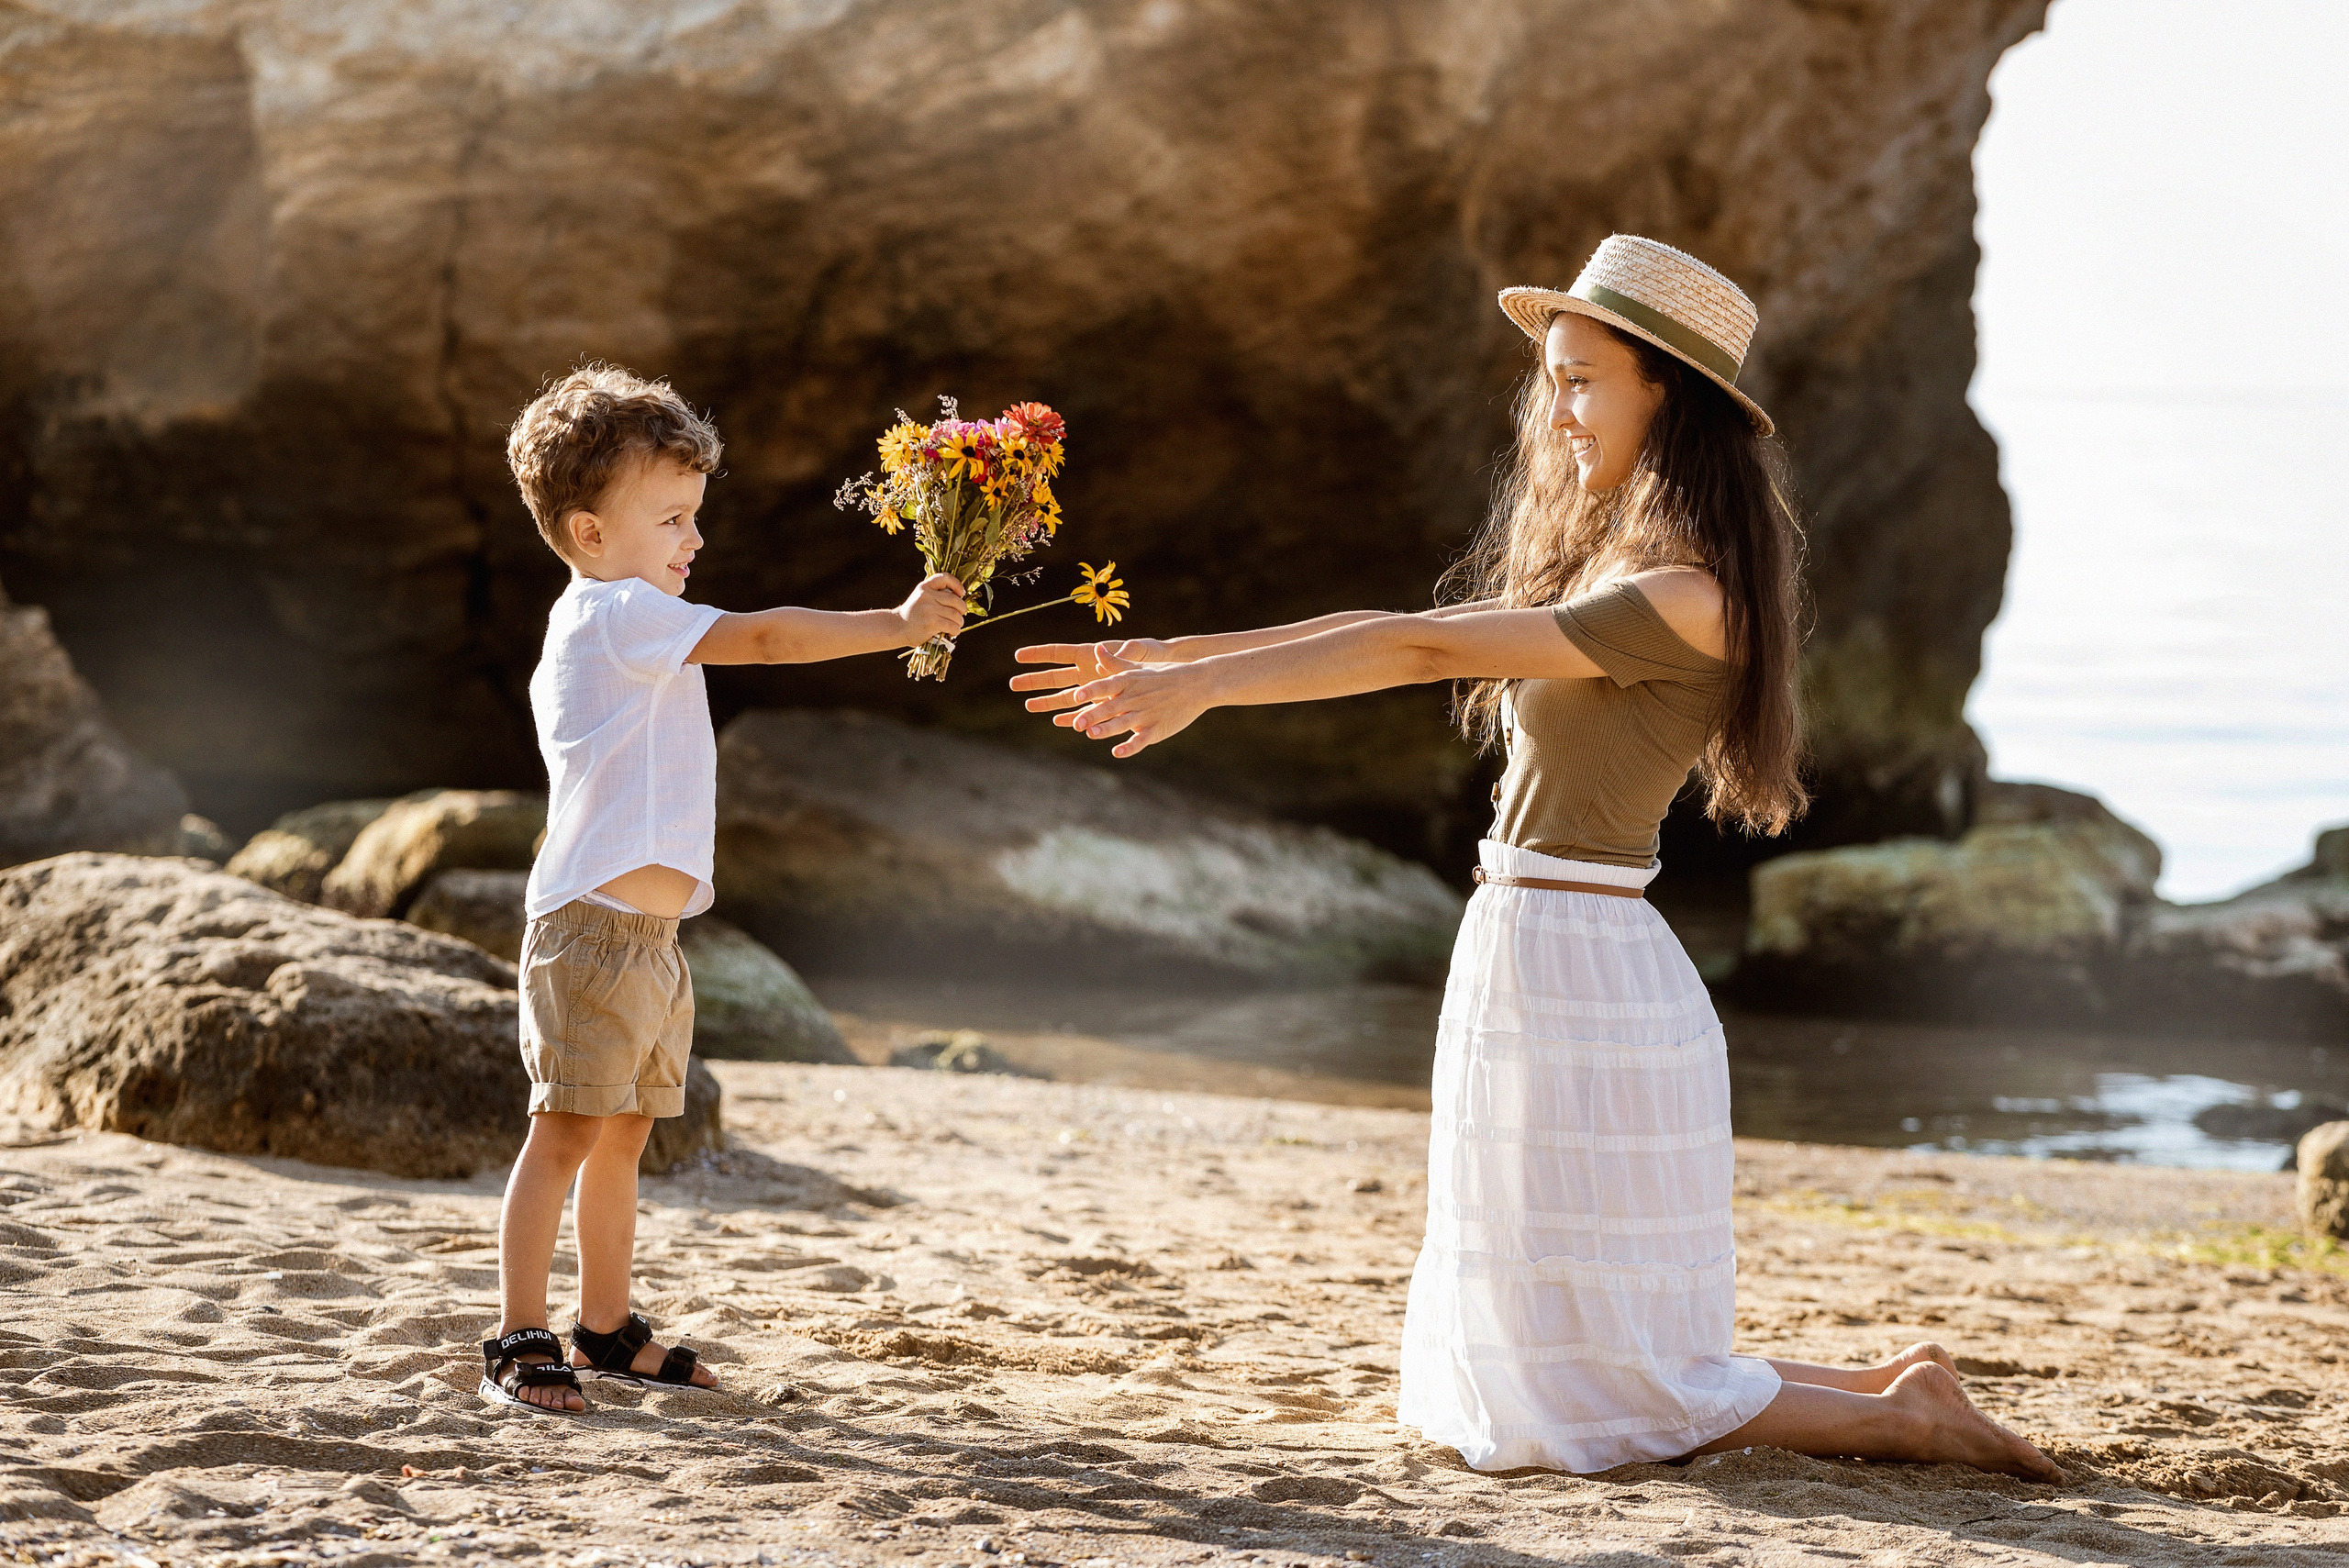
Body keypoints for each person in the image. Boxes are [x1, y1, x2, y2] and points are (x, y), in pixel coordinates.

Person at [1009, 237, 2063, 1482]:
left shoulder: (1686, 592)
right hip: (1532, 942)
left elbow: (1416, 651)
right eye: (1551, 380)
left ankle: (1906, 1418)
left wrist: (1210, 692)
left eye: (1581, 381)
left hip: (1581, 963)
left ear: (1664, 392)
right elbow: (1415, 624)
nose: (1554, 410)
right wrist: (1181, 656)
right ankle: (1895, 1386)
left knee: (1580, 1403)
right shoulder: (1621, 561)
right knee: (1557, 1357)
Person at [484, 364, 965, 1413]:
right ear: (590, 530)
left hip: (649, 941)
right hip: (592, 930)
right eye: (670, 518)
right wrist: (896, 623)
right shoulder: (616, 612)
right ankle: (519, 1332)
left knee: (623, 1133)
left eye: (695, 515)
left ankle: (605, 1327)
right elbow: (767, 636)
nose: (692, 540)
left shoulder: (636, 615)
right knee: (564, 1128)